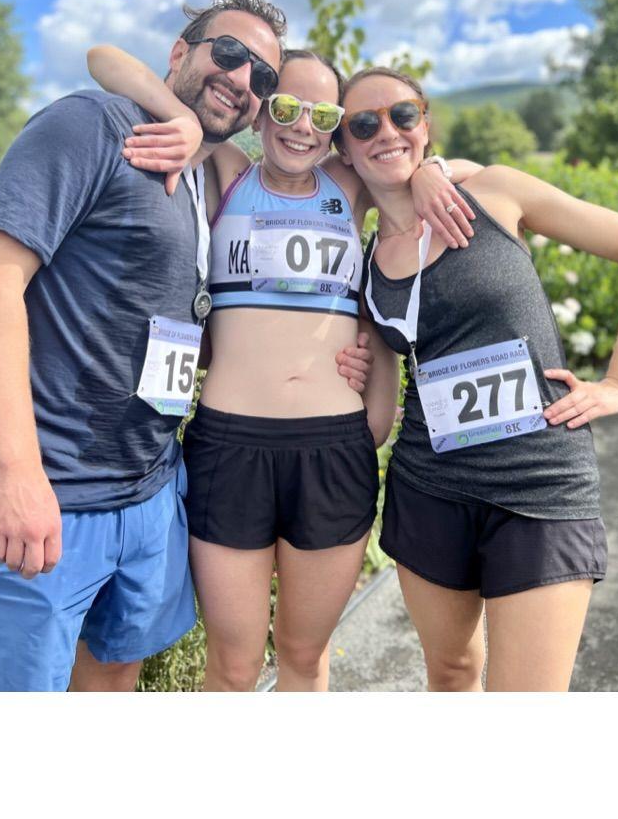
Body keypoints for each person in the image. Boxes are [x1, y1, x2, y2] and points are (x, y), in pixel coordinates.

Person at [87, 44, 482, 690]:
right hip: (228, 447)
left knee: (303, 658)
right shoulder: (227, 170)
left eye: (324, 115)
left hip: (332, 450)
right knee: (235, 668)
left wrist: (433, 167)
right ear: (261, 110)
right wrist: (179, 117)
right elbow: (103, 60)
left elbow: (444, 163)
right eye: (289, 107)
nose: (304, 126)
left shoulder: (348, 184)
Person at [0, 0, 302, 691]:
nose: (242, 80)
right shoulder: (95, 125)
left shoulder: (211, 176)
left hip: (148, 496)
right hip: (48, 498)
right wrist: (19, 473)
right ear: (181, 53)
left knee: (113, 691)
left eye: (263, 77)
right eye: (228, 53)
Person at [345, 67, 618, 692]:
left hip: (540, 482)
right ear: (346, 146)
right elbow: (382, 410)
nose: (386, 132)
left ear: (425, 124)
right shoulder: (365, 269)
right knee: (450, 672)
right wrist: (348, 378)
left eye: (403, 115)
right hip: (429, 487)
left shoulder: (493, 192)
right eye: (364, 124)